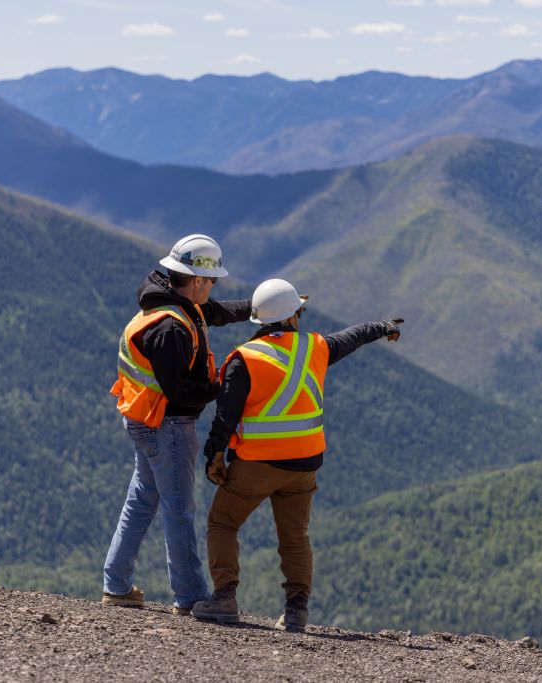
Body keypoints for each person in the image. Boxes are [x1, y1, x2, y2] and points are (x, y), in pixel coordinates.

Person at [191, 278, 403, 631]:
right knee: (295, 537)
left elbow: (226, 417)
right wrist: (381, 327)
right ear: (292, 316)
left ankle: (225, 598)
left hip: (257, 464)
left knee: (224, 523)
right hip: (304, 465)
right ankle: (296, 611)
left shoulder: (244, 358)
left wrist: (215, 455)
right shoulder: (315, 348)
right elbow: (350, 337)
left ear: (259, 320)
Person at [102, 234, 252, 616]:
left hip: (143, 420)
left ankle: (116, 584)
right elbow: (182, 392)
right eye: (212, 280)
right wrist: (224, 387)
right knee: (179, 509)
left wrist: (260, 308)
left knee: (142, 499)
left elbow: (217, 312)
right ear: (197, 281)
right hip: (166, 426)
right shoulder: (171, 329)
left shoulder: (171, 304)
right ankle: (190, 597)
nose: (214, 287)